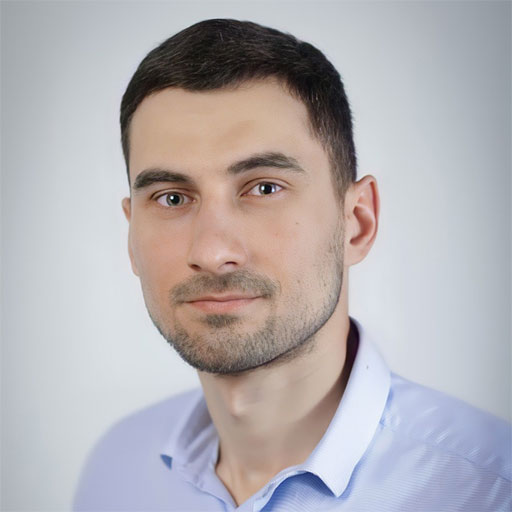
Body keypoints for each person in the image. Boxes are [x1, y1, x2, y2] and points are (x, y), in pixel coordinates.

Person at [73, 18, 511, 511]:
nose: (212, 252)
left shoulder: (490, 489)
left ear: (357, 223)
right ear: (132, 236)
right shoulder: (116, 472)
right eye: (172, 198)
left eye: (264, 188)